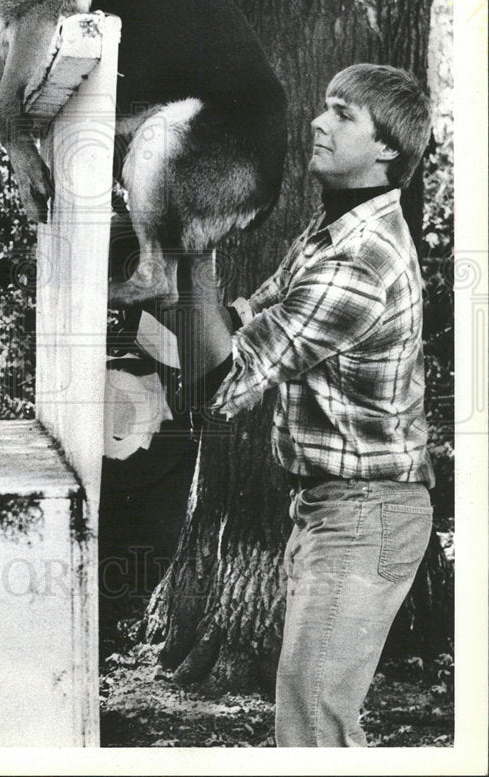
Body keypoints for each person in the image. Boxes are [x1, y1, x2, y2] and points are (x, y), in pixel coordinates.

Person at [150, 63, 435, 747]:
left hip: (365, 514)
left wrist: (198, 246)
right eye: (325, 108)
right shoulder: (326, 234)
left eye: (343, 114)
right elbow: (241, 319)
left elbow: (227, 375)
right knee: (310, 716)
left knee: (313, 720)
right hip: (333, 507)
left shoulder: (360, 260)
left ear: (388, 148)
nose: (317, 121)